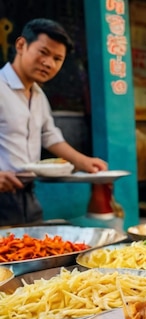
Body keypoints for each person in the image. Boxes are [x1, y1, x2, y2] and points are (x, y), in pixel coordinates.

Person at [0, 18, 108, 226]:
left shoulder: (38, 95)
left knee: (34, 251)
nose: (49, 63)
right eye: (43, 52)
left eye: (57, 59)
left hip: (28, 195)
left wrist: (83, 162)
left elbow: (49, 135)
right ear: (21, 45)